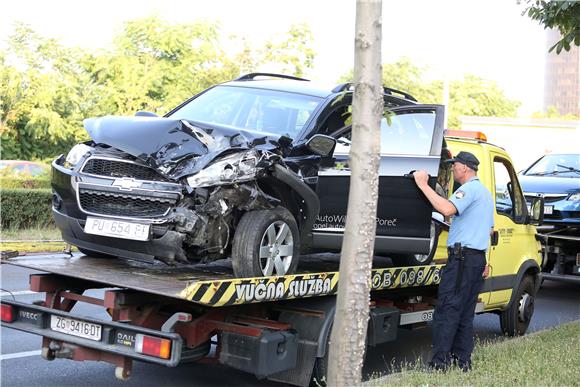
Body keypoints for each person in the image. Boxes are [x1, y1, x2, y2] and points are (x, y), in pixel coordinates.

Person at [413, 151, 494, 372]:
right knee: (465, 314)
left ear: (465, 168)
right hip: (475, 260)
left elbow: (447, 209)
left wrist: (423, 185)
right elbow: (488, 230)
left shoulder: (468, 190)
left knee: (448, 310)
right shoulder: (485, 194)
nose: (452, 168)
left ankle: (439, 364)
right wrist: (485, 261)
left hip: (462, 260)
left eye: (454, 165)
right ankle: (463, 362)